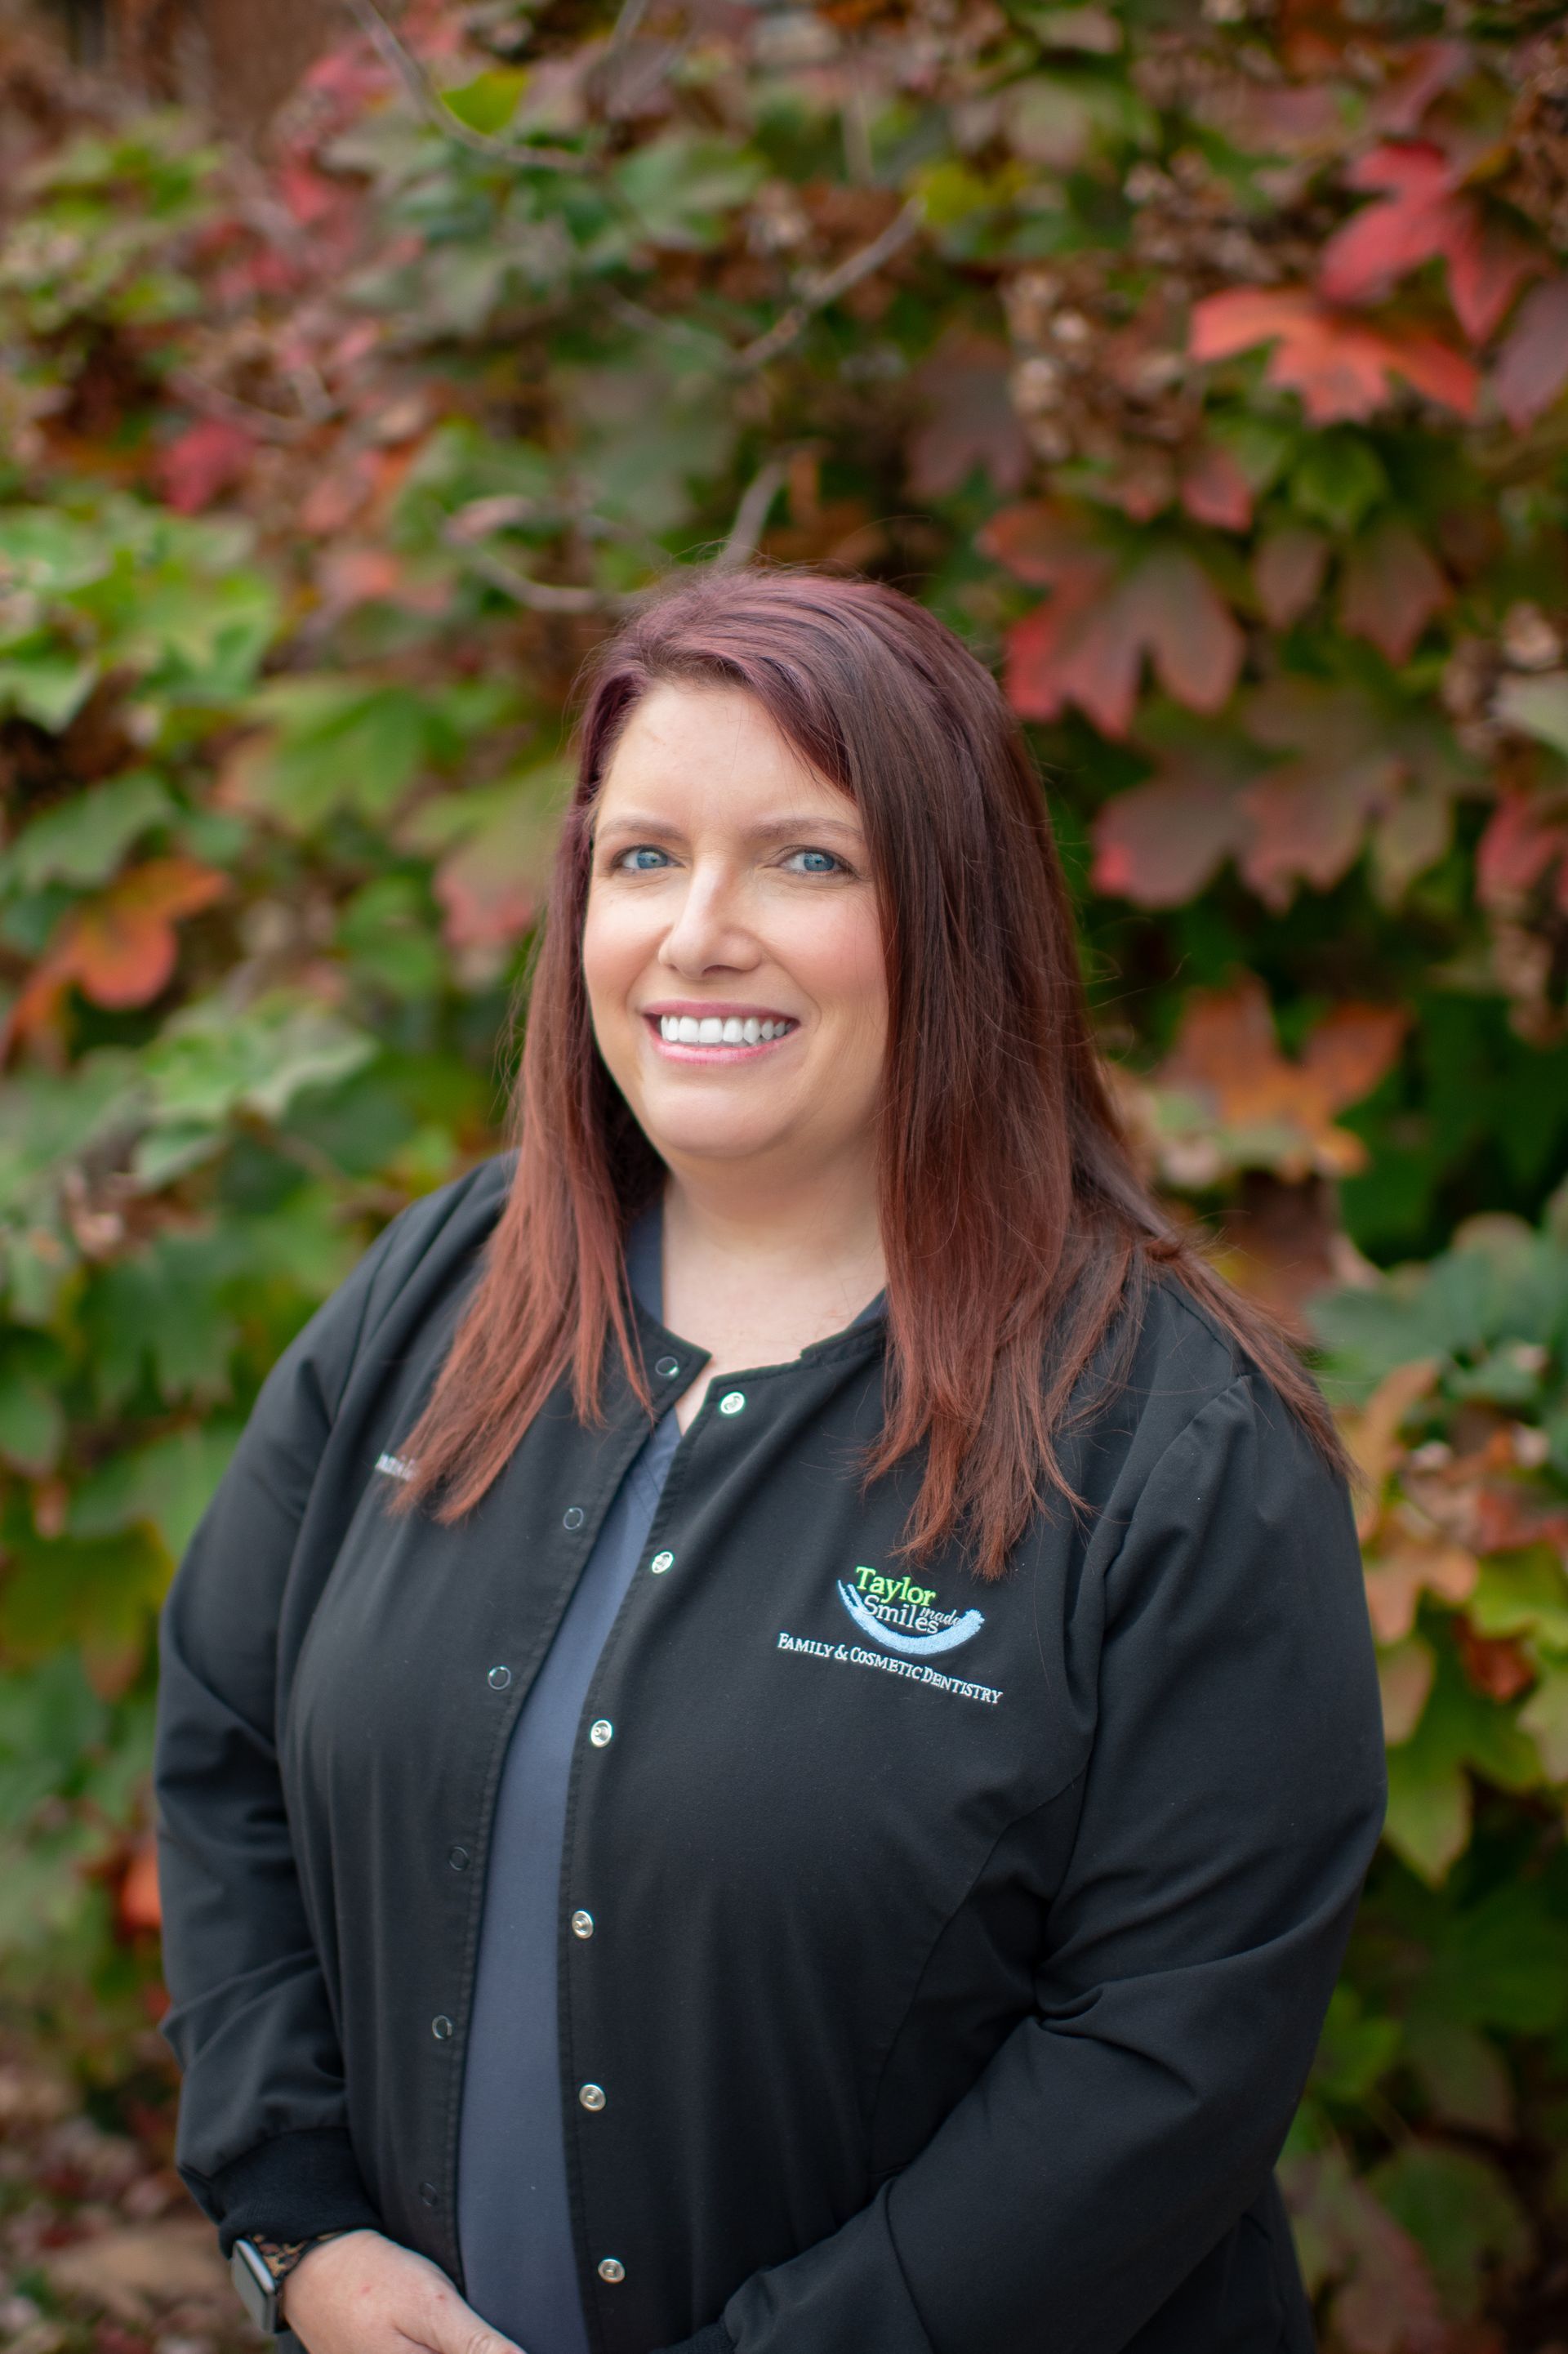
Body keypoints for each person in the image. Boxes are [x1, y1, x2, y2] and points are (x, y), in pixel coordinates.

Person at [154, 568, 1386, 2354]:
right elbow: (228, 1746)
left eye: (807, 860)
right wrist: (301, 2230)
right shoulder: (442, 1294)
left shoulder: (1178, 1447)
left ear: (953, 918)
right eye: (643, 857)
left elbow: (1161, 2064)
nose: (697, 933)